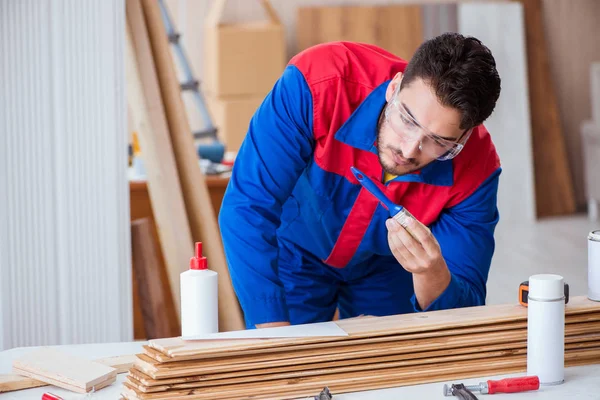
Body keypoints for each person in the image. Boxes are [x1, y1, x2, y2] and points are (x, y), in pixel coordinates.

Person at [218, 33, 502, 329]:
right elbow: (248, 206)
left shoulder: (477, 168)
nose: (408, 150)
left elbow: (464, 312)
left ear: (464, 138)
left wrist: (431, 272)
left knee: (391, 367)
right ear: (394, 88)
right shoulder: (320, 82)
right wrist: (276, 342)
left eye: (437, 142)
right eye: (407, 120)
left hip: (390, 269)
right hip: (295, 255)